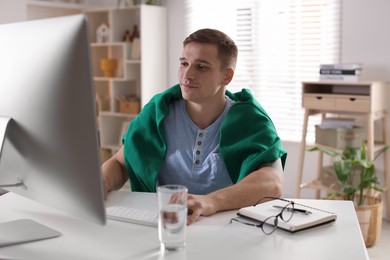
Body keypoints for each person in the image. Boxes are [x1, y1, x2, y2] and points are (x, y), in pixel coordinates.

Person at [101, 28, 287, 225]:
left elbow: (272, 182)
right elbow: (121, 163)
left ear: (226, 77)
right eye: (184, 63)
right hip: (162, 225)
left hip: (226, 230)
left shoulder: (250, 119)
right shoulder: (157, 113)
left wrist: (210, 202)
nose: (187, 75)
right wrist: (103, 180)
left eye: (201, 67)